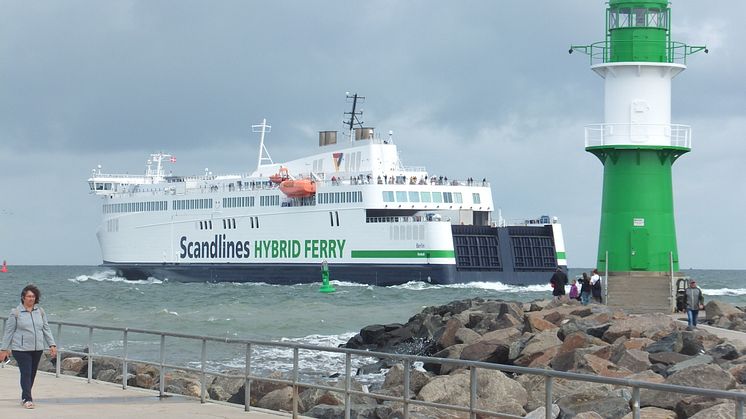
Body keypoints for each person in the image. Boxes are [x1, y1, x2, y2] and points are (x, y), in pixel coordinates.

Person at [0, 284, 57, 409]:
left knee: (32, 374)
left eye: (33, 296)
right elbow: (8, 332)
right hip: (20, 349)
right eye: (29, 296)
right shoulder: (15, 313)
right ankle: (27, 398)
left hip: (37, 348)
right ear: (23, 297)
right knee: (25, 373)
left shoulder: (40, 312)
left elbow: (46, 329)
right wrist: (4, 349)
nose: (31, 299)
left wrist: (52, 344)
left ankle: (25, 395)